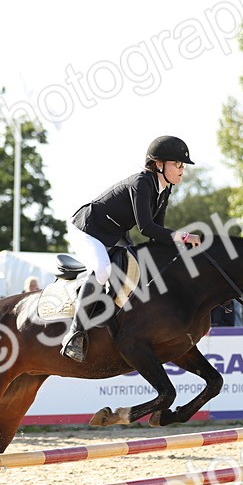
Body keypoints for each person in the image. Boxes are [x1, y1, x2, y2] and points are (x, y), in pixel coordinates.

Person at [60, 135, 201, 361]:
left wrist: (179, 252)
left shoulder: (164, 189)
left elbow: (157, 232)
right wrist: (183, 237)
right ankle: (74, 334)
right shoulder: (142, 183)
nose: (182, 170)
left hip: (114, 234)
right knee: (103, 270)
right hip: (88, 230)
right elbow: (146, 227)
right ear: (159, 164)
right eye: (177, 164)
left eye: (183, 165)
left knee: (138, 267)